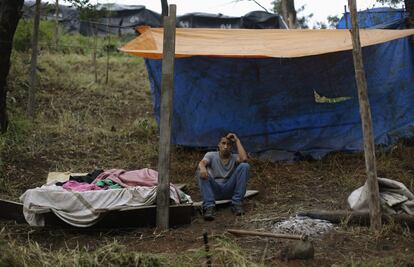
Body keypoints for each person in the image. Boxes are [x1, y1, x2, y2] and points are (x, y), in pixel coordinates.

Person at [197, 133, 250, 221]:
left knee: (245, 166)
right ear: (219, 145)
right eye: (223, 143)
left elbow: (244, 159)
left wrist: (237, 141)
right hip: (215, 191)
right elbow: (202, 162)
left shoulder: (235, 157)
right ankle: (209, 207)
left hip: (230, 190)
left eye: (228, 144)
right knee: (200, 171)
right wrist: (202, 168)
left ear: (231, 147)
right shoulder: (211, 155)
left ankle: (237, 203)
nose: (225, 146)